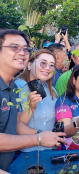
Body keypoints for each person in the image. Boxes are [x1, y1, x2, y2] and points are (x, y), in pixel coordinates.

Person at [0, 29, 65, 171]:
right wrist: (39, 138)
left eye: (25, 49)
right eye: (14, 47)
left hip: (43, 155)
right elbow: (17, 127)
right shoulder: (18, 87)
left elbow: (14, 123)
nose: (22, 52)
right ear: (29, 65)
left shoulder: (11, 88)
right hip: (22, 156)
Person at [15, 50, 58, 152]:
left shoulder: (52, 91)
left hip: (49, 151)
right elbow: (16, 127)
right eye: (43, 63)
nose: (47, 68)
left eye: (52, 65)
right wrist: (31, 108)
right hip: (23, 153)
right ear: (29, 65)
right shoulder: (16, 89)